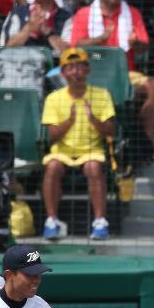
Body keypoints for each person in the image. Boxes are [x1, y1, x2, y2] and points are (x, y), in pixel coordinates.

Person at [69, 0, 154, 156]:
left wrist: (137, 44)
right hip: (91, 75)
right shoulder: (84, 15)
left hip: (126, 74)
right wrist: (100, 39)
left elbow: (144, 45)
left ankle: (146, 142)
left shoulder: (133, 13)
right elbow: (75, 48)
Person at [40, 47, 116, 241]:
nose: (75, 72)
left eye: (79, 67)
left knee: (93, 167)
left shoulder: (101, 94)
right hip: (62, 151)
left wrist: (94, 120)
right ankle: (52, 220)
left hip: (91, 150)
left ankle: (100, 222)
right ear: (63, 73)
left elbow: (111, 131)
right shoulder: (54, 98)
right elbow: (51, 137)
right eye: (70, 68)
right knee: (52, 166)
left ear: (88, 70)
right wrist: (69, 121)